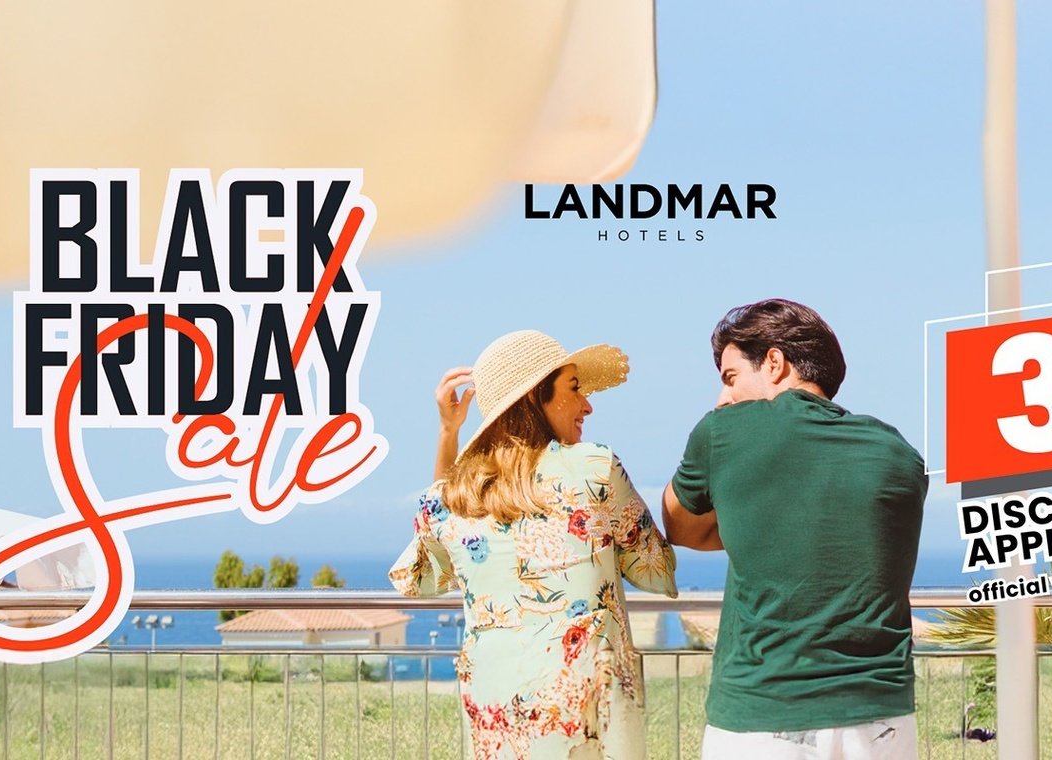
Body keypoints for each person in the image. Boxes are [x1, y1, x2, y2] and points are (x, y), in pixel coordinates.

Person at [390, 329, 678, 760]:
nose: (588, 405)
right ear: (532, 397)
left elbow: (423, 577)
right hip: (585, 716)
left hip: (495, 710)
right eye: (575, 389)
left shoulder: (449, 499)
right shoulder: (595, 468)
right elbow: (655, 568)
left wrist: (448, 433)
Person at [661, 299, 928, 760]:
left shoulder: (723, 433)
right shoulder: (899, 454)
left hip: (763, 715)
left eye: (730, 378)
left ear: (775, 363)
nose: (722, 398)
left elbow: (679, 526)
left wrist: (751, 517)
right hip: (881, 719)